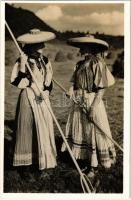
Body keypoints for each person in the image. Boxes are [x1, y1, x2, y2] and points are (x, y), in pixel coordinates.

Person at [61, 35, 116, 180]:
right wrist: (71, 90)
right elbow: (73, 82)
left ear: (91, 48)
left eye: (84, 46)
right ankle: (87, 160)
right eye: (80, 46)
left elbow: (102, 88)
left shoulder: (98, 64)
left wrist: (93, 107)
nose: (80, 49)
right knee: (84, 131)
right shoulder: (79, 65)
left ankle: (94, 167)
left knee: (93, 132)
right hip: (79, 101)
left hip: (92, 101)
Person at [11, 29, 57, 173]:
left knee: (43, 128)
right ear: (32, 46)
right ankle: (25, 166)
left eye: (42, 44)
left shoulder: (45, 61)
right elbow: (18, 82)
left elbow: (49, 82)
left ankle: (42, 160)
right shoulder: (21, 61)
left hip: (42, 98)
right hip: (28, 97)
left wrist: (46, 92)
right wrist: (23, 65)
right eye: (39, 45)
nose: (43, 47)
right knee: (26, 128)